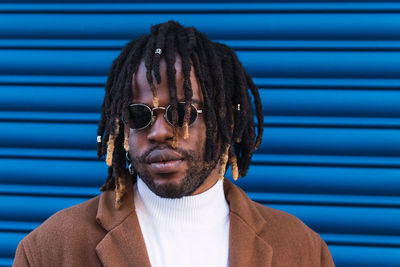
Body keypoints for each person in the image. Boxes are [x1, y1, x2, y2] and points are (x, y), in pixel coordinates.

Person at [13, 21, 334, 267]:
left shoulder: (300, 248)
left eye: (182, 113)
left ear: (228, 123)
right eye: (139, 115)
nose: (159, 132)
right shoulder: (51, 248)